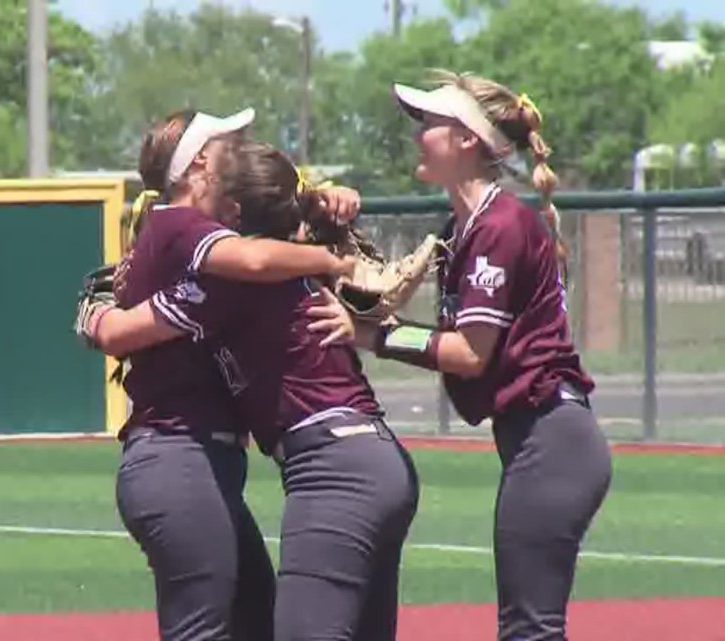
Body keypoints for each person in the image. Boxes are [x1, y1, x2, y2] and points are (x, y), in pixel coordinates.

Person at [83, 141, 420, 641]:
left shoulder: (235, 280)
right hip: (381, 459)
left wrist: (97, 309)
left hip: (332, 470)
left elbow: (117, 332)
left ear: (234, 212)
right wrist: (331, 233)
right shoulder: (301, 261)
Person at [355, 69, 612, 640]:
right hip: (537, 436)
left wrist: (374, 336)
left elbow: (471, 353)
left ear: (467, 140)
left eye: (431, 123)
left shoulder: (499, 225)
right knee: (529, 628)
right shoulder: (463, 227)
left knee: (529, 629)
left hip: (553, 437)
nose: (419, 133)